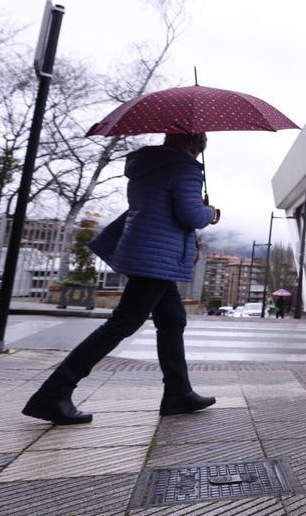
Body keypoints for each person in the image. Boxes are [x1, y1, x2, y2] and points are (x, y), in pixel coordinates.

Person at [23, 133, 221, 425]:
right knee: (123, 323)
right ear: (195, 147)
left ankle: (178, 392)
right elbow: (190, 215)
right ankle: (54, 392)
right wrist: (210, 212)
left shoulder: (146, 164)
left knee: (172, 320)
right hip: (157, 256)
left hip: (142, 248)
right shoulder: (185, 168)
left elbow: (160, 208)